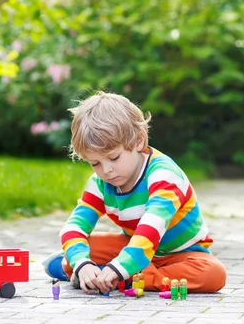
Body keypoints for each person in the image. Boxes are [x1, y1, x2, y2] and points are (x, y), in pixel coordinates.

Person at [43, 91, 226, 294]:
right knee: (76, 253)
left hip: (181, 254)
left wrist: (119, 267)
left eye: (114, 157)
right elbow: (74, 227)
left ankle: (127, 277)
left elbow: (151, 229)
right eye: (95, 163)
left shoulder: (163, 175)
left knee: (213, 273)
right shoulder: (101, 183)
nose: (106, 170)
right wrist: (82, 263)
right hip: (132, 249)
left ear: (139, 141)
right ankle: (94, 273)